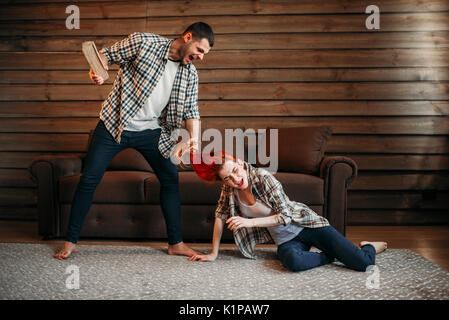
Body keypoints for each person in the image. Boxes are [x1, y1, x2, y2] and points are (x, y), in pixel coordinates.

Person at [54, 22, 214, 260]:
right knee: (89, 179)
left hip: (151, 132)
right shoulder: (143, 43)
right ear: (188, 37)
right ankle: (70, 241)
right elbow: (105, 56)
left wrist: (194, 140)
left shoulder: (190, 73)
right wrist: (97, 70)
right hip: (113, 125)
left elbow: (191, 110)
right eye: (200, 50)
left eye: (204, 54)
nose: (200, 57)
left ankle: (176, 244)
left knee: (170, 179)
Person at [188, 151, 388, 272]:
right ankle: (332, 255)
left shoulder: (263, 177)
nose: (235, 179)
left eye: (235, 171)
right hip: (286, 240)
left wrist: (249, 222)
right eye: (227, 178)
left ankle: (367, 246)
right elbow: (220, 216)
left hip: (307, 226)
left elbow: (286, 216)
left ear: (240, 163)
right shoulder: (229, 188)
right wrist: (213, 253)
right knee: (293, 262)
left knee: (363, 264)